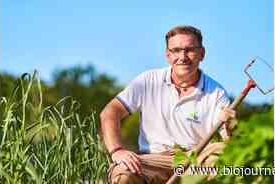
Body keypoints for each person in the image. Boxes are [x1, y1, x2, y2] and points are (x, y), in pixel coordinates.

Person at [100, 25, 236, 184]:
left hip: (193, 159)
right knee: (123, 173)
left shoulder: (216, 93)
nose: (183, 56)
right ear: (168, 55)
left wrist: (230, 126)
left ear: (202, 53)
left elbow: (227, 138)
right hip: (152, 160)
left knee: (221, 154)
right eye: (176, 50)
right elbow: (110, 112)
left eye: (190, 50)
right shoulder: (147, 81)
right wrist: (117, 151)